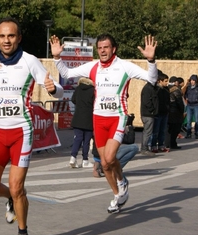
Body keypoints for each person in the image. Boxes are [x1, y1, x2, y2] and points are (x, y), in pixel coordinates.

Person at [0, 17, 63, 235]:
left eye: (11, 36)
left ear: (19, 38)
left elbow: (55, 87)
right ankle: (11, 199)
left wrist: (53, 89)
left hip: (21, 133)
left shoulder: (29, 61)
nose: (6, 40)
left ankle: (23, 234)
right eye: (2, 36)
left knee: (17, 187)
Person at [50, 33, 157, 213]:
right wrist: (56, 57)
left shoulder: (124, 66)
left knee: (108, 158)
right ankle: (118, 194)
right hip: (98, 119)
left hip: (117, 117)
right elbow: (66, 73)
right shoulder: (93, 66)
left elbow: (152, 79)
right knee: (104, 163)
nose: (102, 51)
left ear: (113, 49)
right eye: (99, 48)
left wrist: (151, 61)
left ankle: (121, 180)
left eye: (106, 47)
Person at [69, 77, 94, 168]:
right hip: (88, 118)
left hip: (78, 117)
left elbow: (73, 100)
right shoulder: (92, 90)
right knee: (86, 141)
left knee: (77, 138)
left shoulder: (78, 89)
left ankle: (73, 157)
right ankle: (85, 160)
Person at [151, 72, 170, 153]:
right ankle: (153, 146)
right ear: (160, 81)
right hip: (157, 113)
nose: (167, 83)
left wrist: (168, 108)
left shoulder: (166, 89)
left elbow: (168, 101)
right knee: (155, 131)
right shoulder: (156, 90)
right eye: (165, 81)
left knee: (162, 131)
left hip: (165, 113)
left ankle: (161, 145)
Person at [140, 75, 159, 156]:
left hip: (149, 113)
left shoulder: (151, 88)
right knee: (147, 132)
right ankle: (144, 149)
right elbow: (147, 101)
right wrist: (152, 110)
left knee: (148, 132)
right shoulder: (148, 88)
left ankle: (145, 148)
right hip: (148, 114)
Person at [165, 76, 184, 149]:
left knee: (168, 129)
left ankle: (167, 144)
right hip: (175, 112)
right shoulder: (176, 90)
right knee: (175, 129)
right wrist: (182, 110)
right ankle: (173, 143)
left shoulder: (166, 89)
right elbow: (179, 102)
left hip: (167, 111)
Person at [183, 74, 198, 139]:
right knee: (188, 120)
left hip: (196, 105)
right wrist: (186, 97)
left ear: (196, 81)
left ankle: (196, 133)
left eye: (193, 80)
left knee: (196, 120)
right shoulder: (188, 87)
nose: (192, 81)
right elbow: (185, 94)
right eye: (191, 80)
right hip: (189, 105)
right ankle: (188, 133)